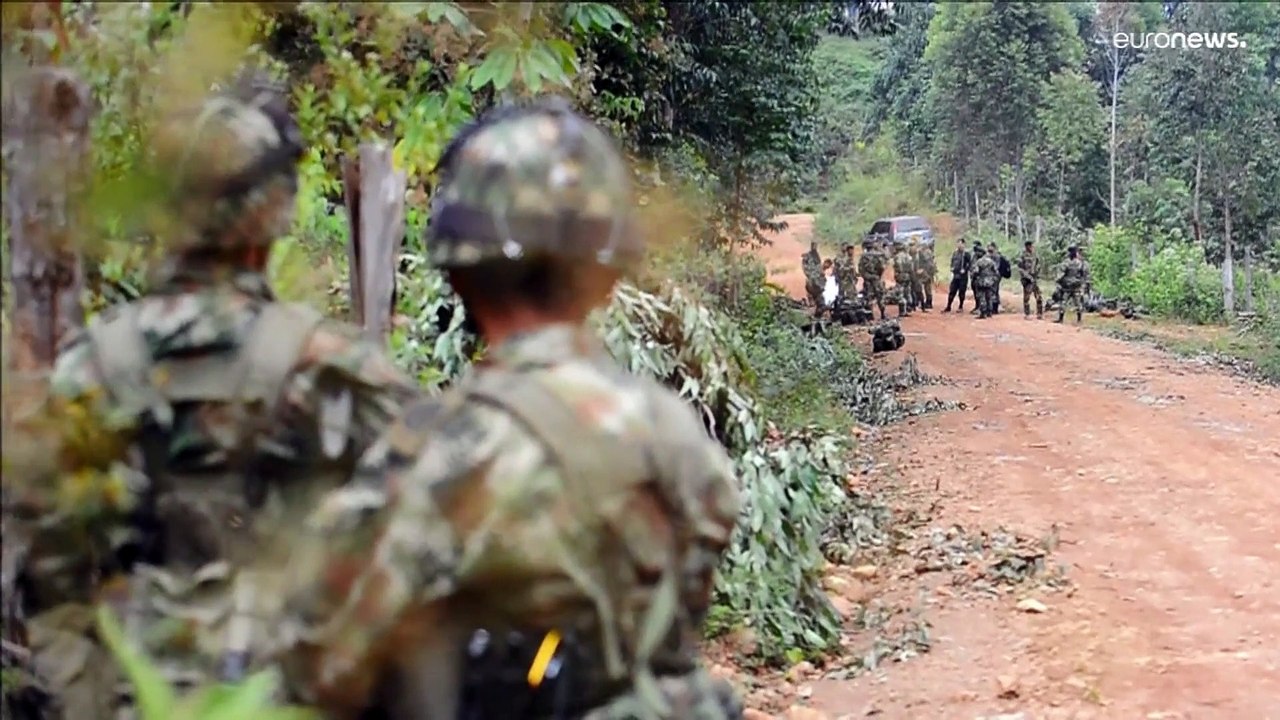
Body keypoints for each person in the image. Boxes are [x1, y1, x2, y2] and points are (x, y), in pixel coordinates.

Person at [272, 100, 744, 720]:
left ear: (460, 272)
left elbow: (325, 663)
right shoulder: (679, 435)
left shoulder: (435, 452)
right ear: (607, 274)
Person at [10, 76, 418, 718]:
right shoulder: (334, 368)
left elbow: (43, 564)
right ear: (275, 215)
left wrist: (85, 697)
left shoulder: (91, 366)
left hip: (128, 691)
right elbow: (424, 539)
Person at [1056, 244, 1089, 324]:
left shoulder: (1066, 262)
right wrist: (1083, 283)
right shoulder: (1080, 263)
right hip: (1076, 285)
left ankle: (1061, 319)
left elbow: (1061, 274)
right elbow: (1084, 274)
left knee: (1064, 301)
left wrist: (1058, 282)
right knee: (1078, 302)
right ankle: (1079, 319)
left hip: (1067, 286)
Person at [858, 237, 888, 320]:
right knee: (880, 296)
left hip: (868, 279)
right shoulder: (878, 255)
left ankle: (870, 315)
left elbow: (861, 269)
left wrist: (866, 276)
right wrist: (878, 275)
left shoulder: (863, 256)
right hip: (876, 278)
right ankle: (883, 314)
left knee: (869, 297)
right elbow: (881, 267)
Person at [1017, 240, 1043, 319]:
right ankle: (1027, 314)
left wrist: (1037, 273)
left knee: (1039, 296)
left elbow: (1038, 265)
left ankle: (1039, 313)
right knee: (1027, 297)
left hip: (1034, 278)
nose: (1032, 247)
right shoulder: (1022, 256)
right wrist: (1027, 276)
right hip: (1027, 279)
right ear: (1027, 246)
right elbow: (1020, 268)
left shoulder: (1035, 255)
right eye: (1030, 246)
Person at [943, 238, 971, 313]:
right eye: (958, 243)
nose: (959, 245)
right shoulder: (955, 253)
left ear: (963, 244)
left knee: (961, 292)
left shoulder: (966, 254)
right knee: (952, 291)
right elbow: (952, 261)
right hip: (955, 275)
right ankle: (948, 306)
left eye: (960, 243)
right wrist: (952, 267)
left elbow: (970, 264)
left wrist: (965, 269)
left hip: (963, 276)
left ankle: (960, 306)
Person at [971, 244, 999, 320]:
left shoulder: (979, 262)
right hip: (990, 282)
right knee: (989, 297)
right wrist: (993, 279)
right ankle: (989, 312)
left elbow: (975, 271)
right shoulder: (991, 261)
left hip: (981, 281)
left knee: (982, 297)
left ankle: (983, 313)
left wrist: (974, 277)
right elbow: (996, 272)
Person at [891, 241, 915, 318]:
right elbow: (911, 268)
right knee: (907, 292)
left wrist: (898, 273)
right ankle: (909, 307)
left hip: (901, 275)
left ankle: (902, 311)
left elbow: (898, 265)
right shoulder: (908, 256)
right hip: (907, 275)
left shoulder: (897, 256)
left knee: (900, 293)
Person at [802, 241, 825, 317]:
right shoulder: (807, 256)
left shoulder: (817, 256)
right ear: (811, 246)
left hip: (817, 279)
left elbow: (819, 266)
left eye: (816, 246)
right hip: (811, 279)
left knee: (819, 295)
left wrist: (821, 274)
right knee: (811, 293)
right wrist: (809, 274)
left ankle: (819, 309)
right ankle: (812, 308)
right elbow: (804, 267)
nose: (814, 247)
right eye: (813, 246)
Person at [988, 242, 1009, 315]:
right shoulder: (990, 256)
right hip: (992, 276)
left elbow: (996, 267)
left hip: (995, 276)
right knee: (993, 291)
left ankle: (994, 308)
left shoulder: (997, 257)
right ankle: (992, 308)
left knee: (993, 292)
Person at [915, 240, 936, 311]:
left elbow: (922, 261)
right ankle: (928, 302)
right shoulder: (930, 253)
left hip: (925, 272)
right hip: (929, 272)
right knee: (928, 288)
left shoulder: (923, 252)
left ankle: (922, 302)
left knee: (921, 286)